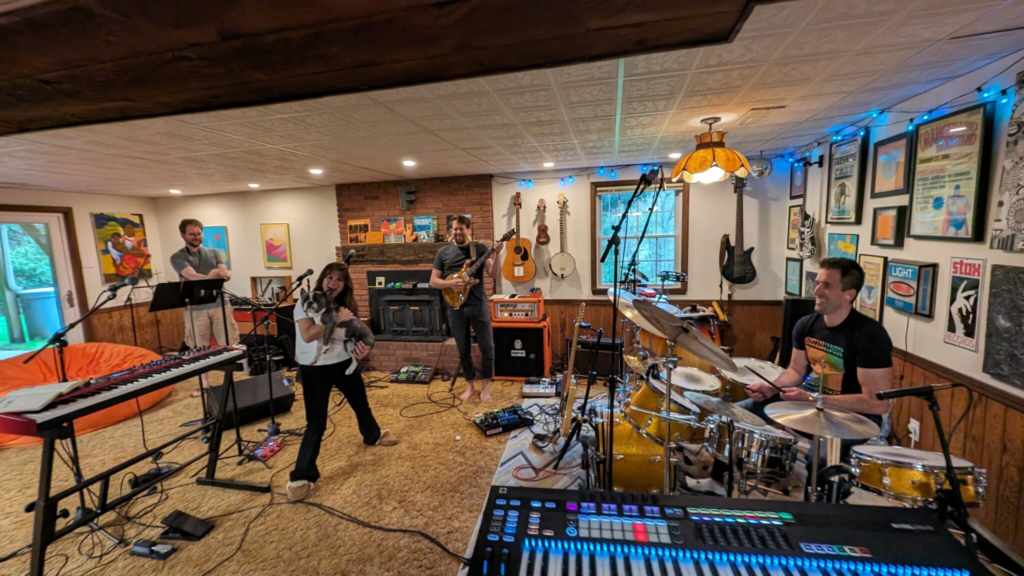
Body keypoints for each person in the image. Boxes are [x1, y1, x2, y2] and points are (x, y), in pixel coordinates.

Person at [743, 258, 893, 479]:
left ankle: (822, 508)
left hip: (852, 416)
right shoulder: (806, 324)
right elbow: (795, 371)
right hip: (808, 403)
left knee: (821, 460)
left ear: (848, 295)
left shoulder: (869, 335)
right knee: (735, 414)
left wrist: (814, 399)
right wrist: (772, 388)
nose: (817, 291)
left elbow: (878, 404)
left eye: (827, 285)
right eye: (818, 283)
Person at [288, 262, 398, 502]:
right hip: (314, 368)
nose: (334, 282)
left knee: (361, 405)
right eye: (329, 277)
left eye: (339, 278)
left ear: (344, 284)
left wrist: (361, 350)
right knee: (316, 424)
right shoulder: (305, 303)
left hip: (342, 363)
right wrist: (336, 317)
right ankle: (301, 475)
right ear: (322, 280)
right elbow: (307, 335)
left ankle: (373, 436)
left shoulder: (345, 305)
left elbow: (356, 335)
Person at [429, 216, 502, 402]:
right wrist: (450, 283)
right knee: (463, 349)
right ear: (450, 231)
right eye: (454, 229)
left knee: (488, 347)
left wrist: (498, 254)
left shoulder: (479, 249)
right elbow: (433, 281)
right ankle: (470, 385)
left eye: (461, 228)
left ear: (468, 229)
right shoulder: (443, 253)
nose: (458, 232)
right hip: (454, 307)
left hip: (477, 305)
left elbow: (493, 274)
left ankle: (486, 385)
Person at [169, 219, 240, 396]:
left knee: (228, 344)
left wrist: (224, 274)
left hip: (220, 304)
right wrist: (210, 277)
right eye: (192, 234)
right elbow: (191, 275)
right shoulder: (178, 257)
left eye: (199, 233)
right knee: (199, 347)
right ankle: (204, 385)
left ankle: (230, 381)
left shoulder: (213, 253)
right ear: (183, 235)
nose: (196, 237)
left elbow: (224, 272)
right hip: (195, 308)